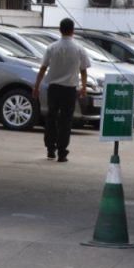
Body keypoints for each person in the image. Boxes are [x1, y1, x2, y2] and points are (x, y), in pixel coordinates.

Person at [33, 18, 89, 162]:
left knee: (51, 117)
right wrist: (83, 87)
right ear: (73, 30)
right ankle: (62, 152)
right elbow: (83, 70)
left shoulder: (52, 47)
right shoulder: (79, 49)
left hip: (54, 89)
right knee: (66, 121)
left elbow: (43, 68)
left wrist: (36, 86)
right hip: (70, 90)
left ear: (60, 29)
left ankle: (50, 149)